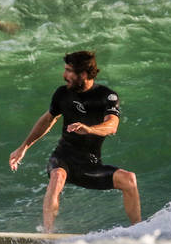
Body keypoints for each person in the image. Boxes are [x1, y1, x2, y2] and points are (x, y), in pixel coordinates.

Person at [9, 51, 141, 232]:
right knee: (57, 176)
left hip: (90, 165)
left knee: (129, 179)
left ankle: (138, 231)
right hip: (63, 158)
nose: (64, 76)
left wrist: (89, 129)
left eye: (69, 71)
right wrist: (23, 147)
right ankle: (48, 233)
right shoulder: (62, 94)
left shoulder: (107, 96)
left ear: (84, 74)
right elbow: (48, 120)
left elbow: (112, 125)